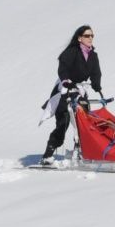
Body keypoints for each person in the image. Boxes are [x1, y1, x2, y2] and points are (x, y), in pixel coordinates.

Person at [41, 24, 103, 163]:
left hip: (80, 91)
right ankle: (48, 155)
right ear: (80, 38)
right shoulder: (72, 52)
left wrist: (97, 85)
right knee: (63, 124)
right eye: (87, 35)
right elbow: (63, 68)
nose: (90, 38)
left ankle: (82, 152)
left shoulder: (93, 55)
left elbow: (96, 72)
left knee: (85, 123)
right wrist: (66, 81)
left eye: (92, 35)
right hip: (65, 90)